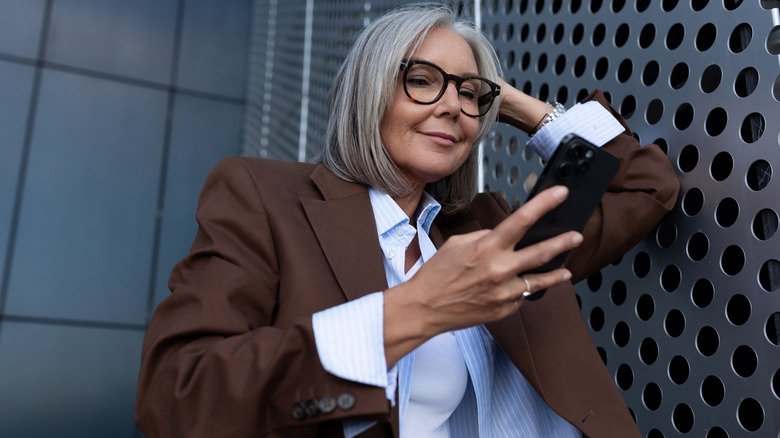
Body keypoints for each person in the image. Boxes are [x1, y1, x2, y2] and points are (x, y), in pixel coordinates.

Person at [135, 4, 679, 437]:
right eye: (423, 80)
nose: (453, 107)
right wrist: (417, 309)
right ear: (369, 89)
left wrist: (513, 104)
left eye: (470, 94)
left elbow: (647, 185)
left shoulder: (489, 230)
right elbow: (176, 397)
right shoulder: (264, 197)